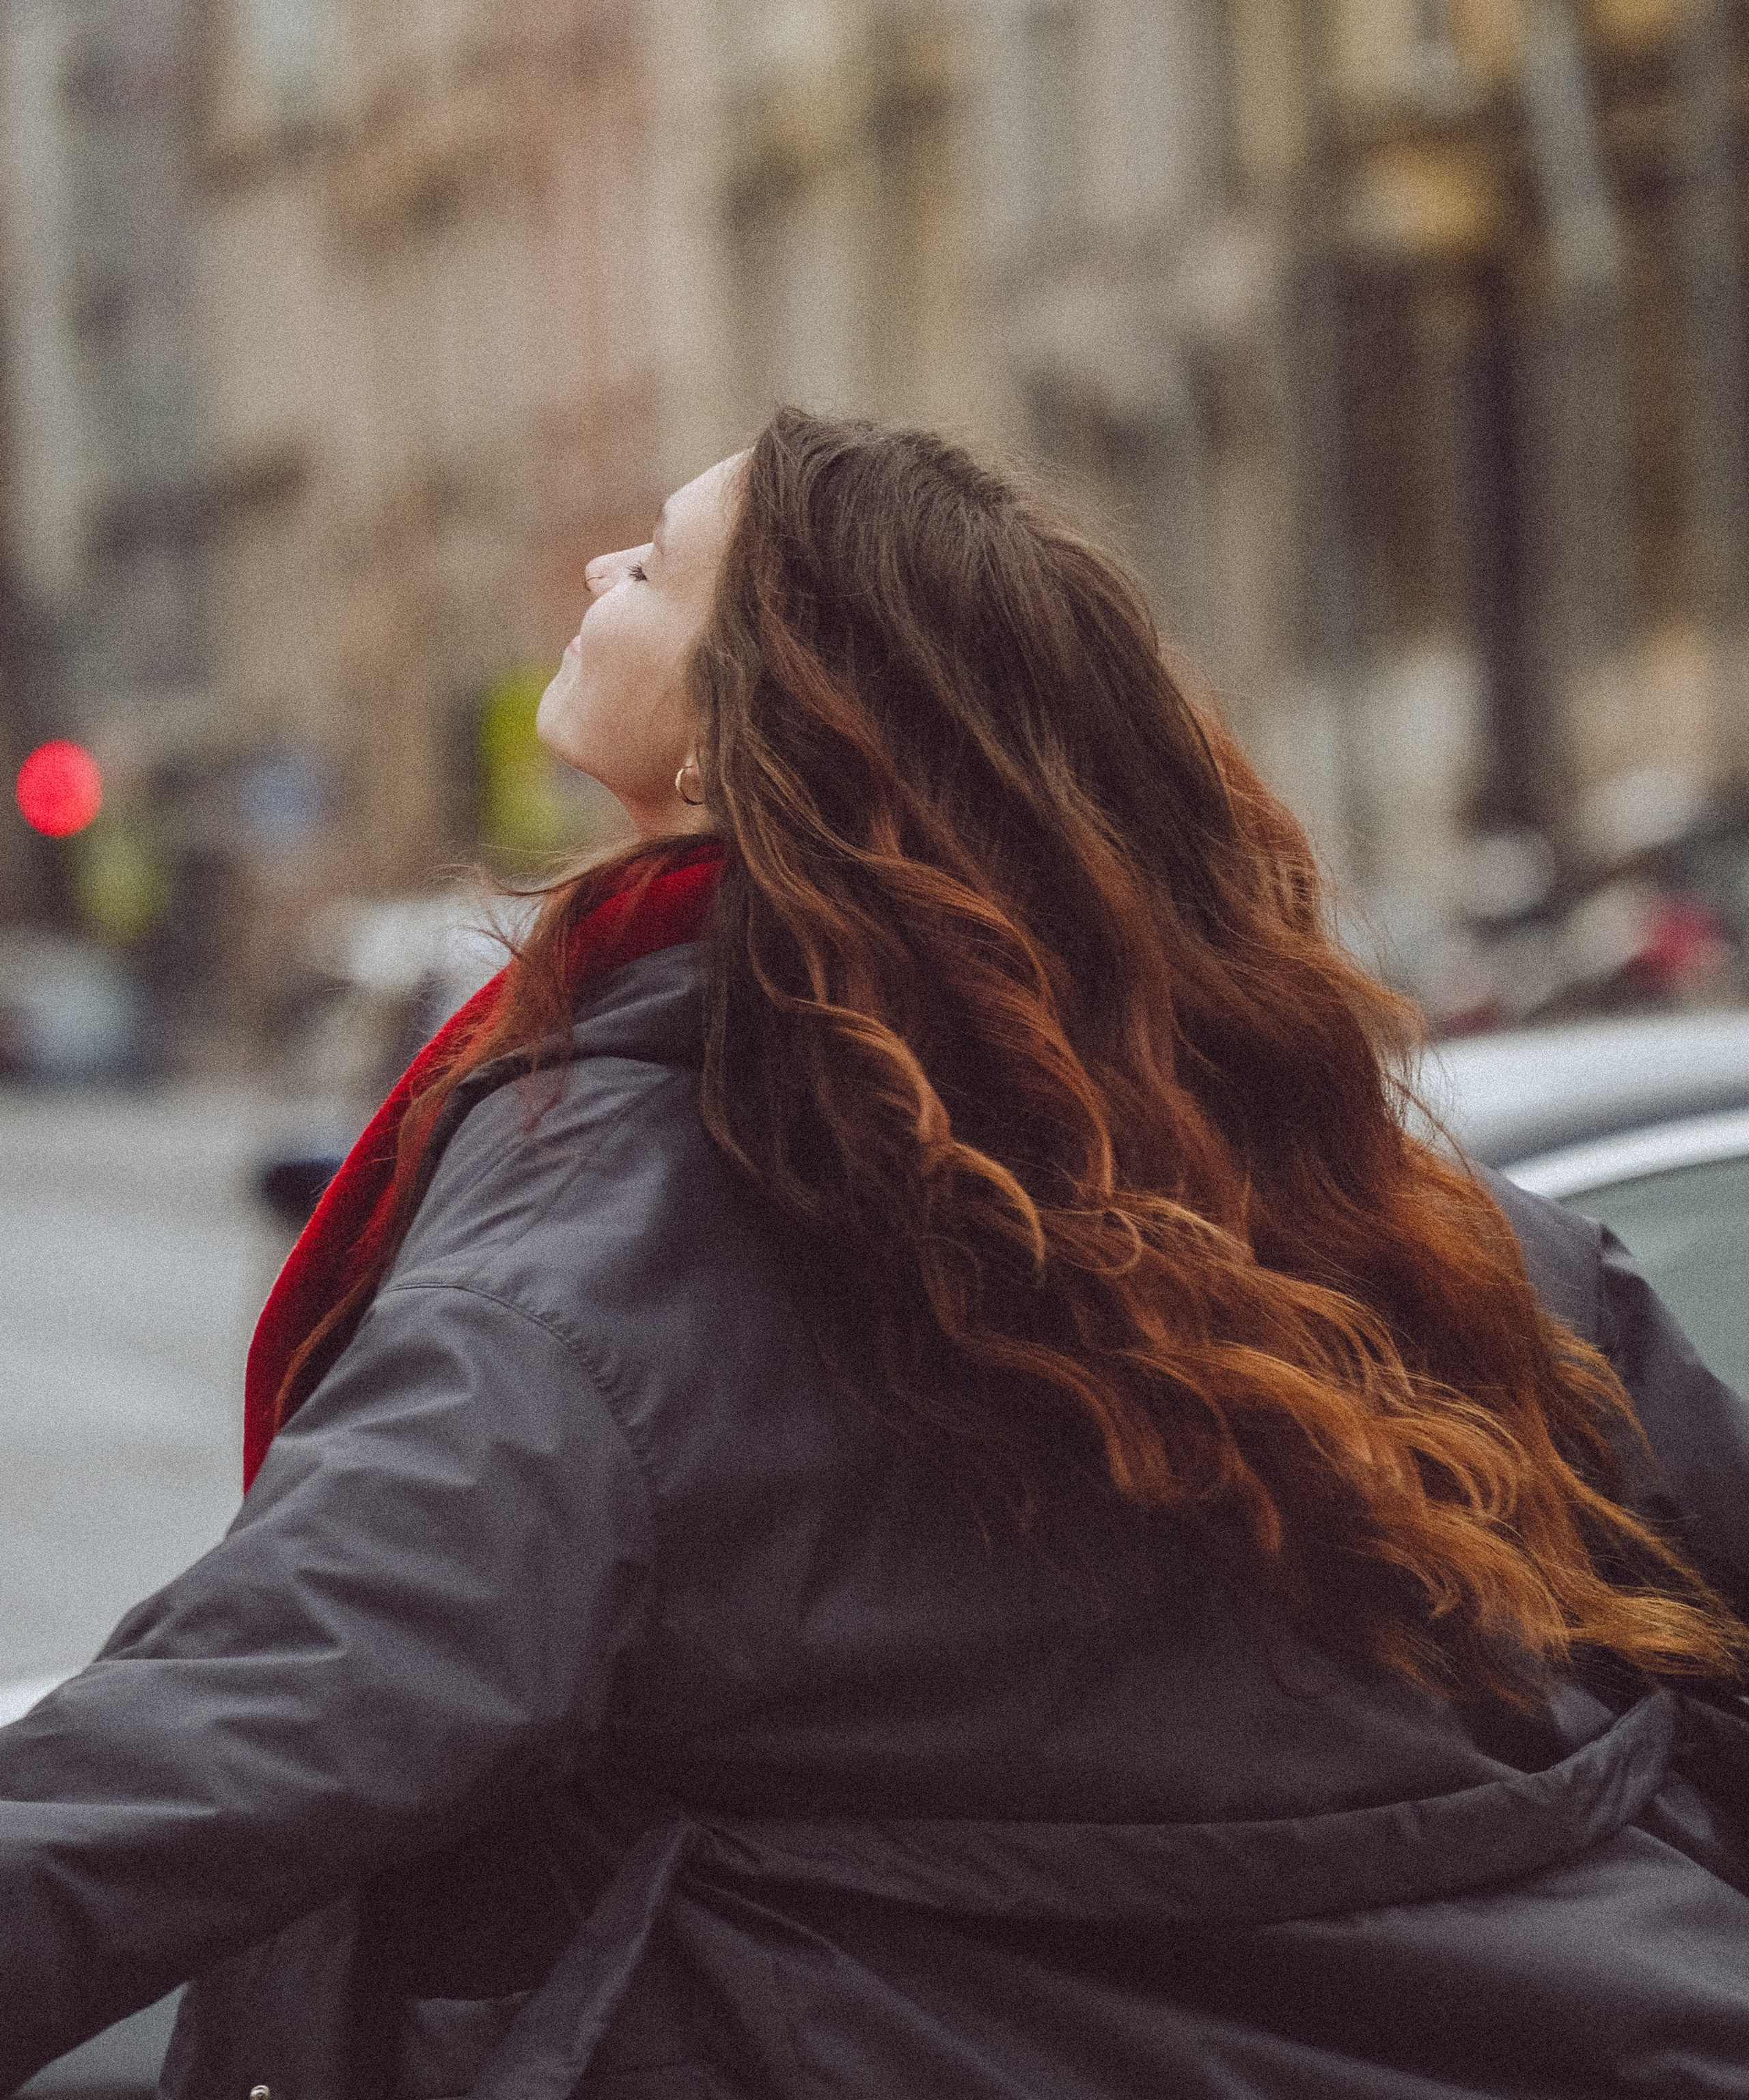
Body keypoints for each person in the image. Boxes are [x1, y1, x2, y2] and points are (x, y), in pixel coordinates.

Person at [5, 406, 1749, 2100]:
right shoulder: (1419, 1228)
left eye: (655, 563)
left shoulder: (600, 1271)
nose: (601, 566)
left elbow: (243, 1725)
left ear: (743, 730)